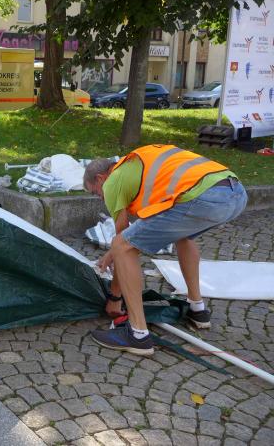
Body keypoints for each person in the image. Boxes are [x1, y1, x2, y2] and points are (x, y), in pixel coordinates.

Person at [83, 144, 247, 355]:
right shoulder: (137, 162)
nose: (101, 197)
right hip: (235, 193)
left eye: (96, 193)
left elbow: (122, 244)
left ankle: (138, 335)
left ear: (100, 178)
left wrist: (114, 299)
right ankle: (198, 310)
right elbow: (130, 237)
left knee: (122, 247)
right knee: (183, 236)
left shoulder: (113, 182)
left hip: (202, 198)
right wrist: (112, 252)